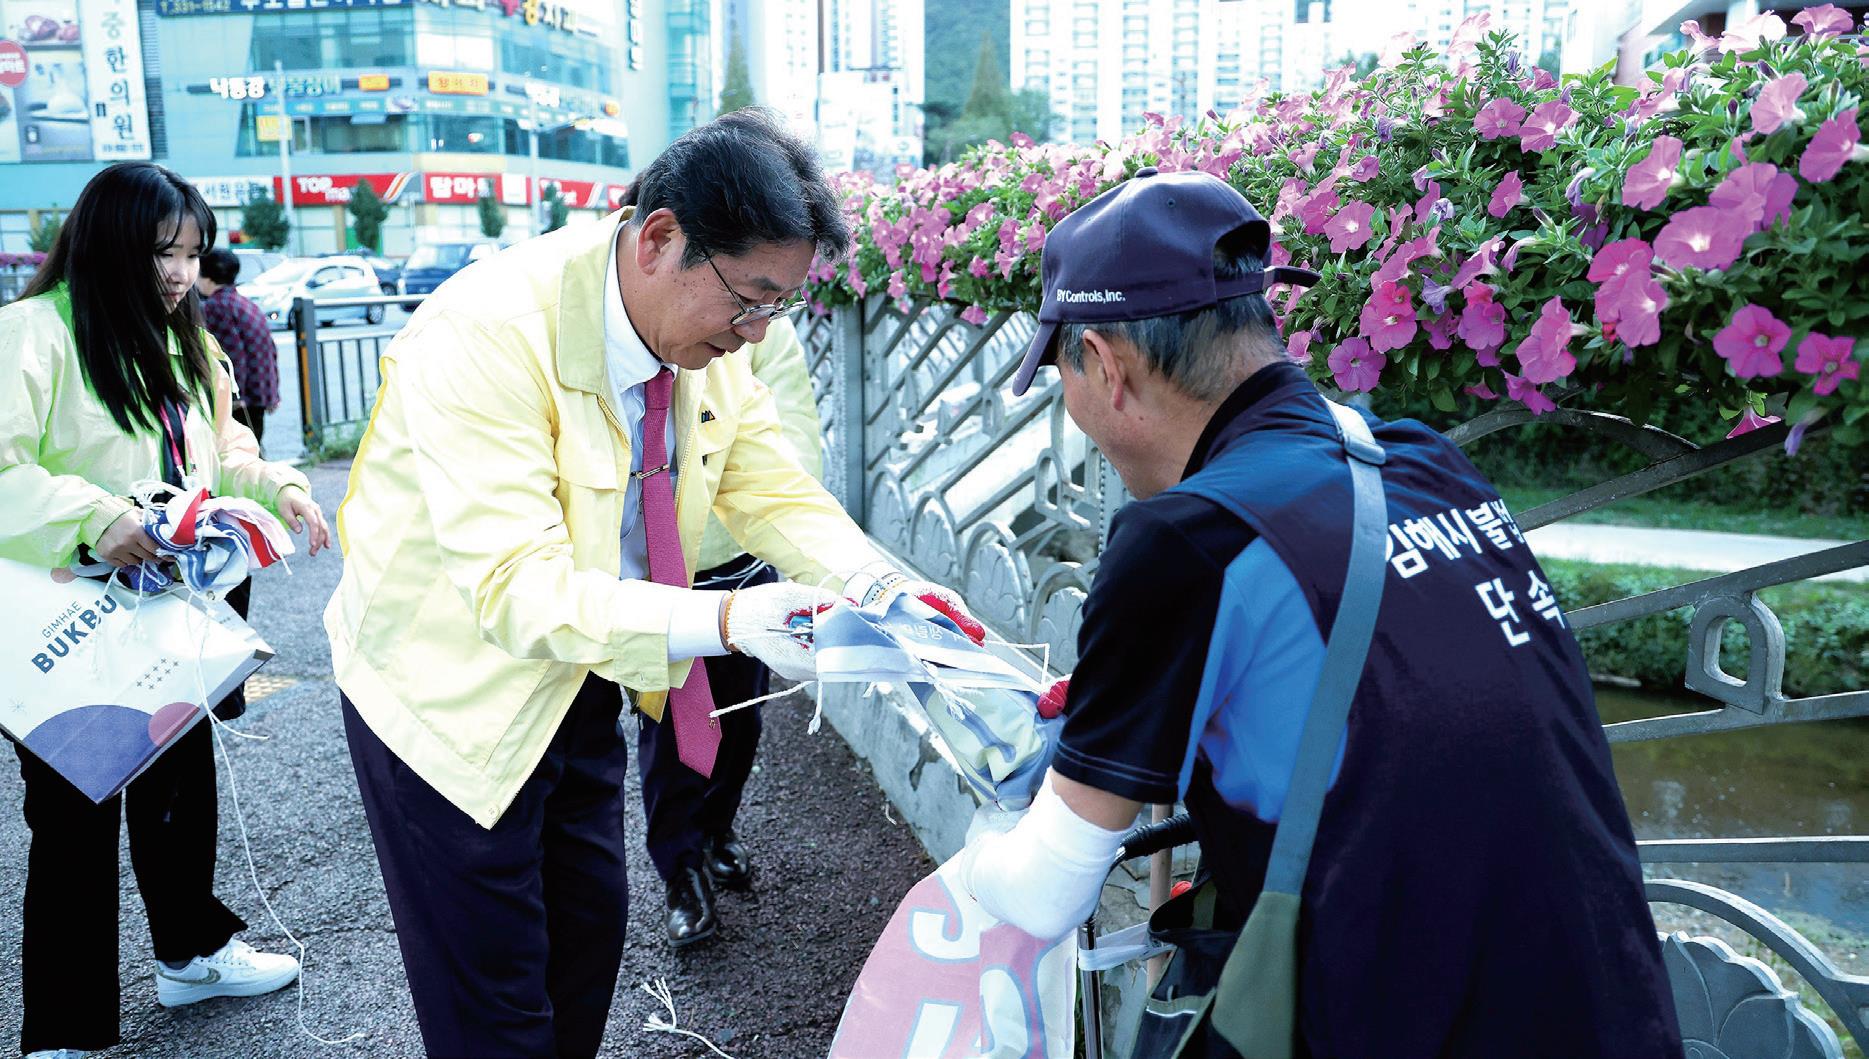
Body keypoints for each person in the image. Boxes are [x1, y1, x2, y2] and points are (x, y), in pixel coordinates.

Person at [957, 168, 1682, 1057]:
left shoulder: (1188, 537)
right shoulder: (1428, 464)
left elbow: (1044, 892)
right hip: (1612, 1012)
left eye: (1061, 375)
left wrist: (981, 840)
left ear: (1105, 364)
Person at [324, 108, 982, 1058]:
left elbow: (767, 484)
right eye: (749, 300)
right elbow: (515, 586)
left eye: (778, 308)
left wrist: (882, 585)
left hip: (581, 670)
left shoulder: (693, 341)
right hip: (445, 695)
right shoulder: (485, 331)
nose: (755, 334)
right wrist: (730, 617)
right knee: (494, 1005)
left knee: (584, 951)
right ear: (658, 239)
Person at [0, 161, 331, 1059]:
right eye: (162, 252)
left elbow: (223, 448)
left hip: (169, 604)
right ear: (109, 242)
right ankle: (63, 1030)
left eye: (192, 252)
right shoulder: (32, 334)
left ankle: (191, 953)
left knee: (180, 789)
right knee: (73, 813)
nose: (182, 272)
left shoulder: (185, 340)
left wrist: (278, 487)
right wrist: (94, 516)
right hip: (65, 617)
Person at [637, 314, 824, 949]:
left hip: (740, 564)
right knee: (671, 730)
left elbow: (794, 438)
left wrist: (802, 550)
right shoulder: (649, 323)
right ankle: (681, 872)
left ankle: (717, 828)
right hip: (660, 570)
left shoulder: (766, 331)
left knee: (741, 721)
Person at [195, 246, 279, 452]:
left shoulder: (216, 306)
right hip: (258, 392)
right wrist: (273, 392)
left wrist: (234, 396)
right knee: (252, 449)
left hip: (242, 399)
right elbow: (269, 348)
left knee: (240, 454)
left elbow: (232, 355)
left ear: (206, 276)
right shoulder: (244, 303)